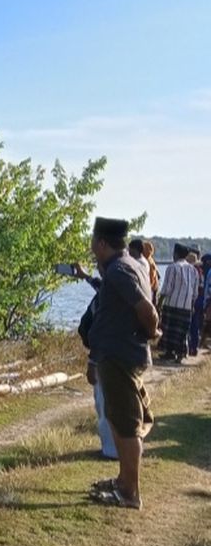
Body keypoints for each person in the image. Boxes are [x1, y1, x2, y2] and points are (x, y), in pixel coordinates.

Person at [86, 216, 159, 510]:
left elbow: (147, 310)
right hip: (113, 354)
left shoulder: (119, 270)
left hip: (119, 357)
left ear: (102, 243)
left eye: (93, 243)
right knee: (118, 419)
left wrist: (152, 331)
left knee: (127, 425)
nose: (92, 249)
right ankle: (122, 481)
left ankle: (130, 492)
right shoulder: (128, 266)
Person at [73, 262, 118, 459]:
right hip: (109, 354)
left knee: (105, 402)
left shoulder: (112, 293)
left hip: (106, 356)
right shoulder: (110, 287)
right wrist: (84, 275)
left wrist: (93, 362)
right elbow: (98, 284)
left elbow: (101, 330)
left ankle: (111, 450)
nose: (98, 268)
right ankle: (112, 448)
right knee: (103, 402)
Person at [157, 243, 200, 363]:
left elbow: (166, 289)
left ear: (175, 254)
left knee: (169, 330)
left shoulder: (172, 267)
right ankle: (180, 354)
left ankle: (169, 352)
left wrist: (159, 304)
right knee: (182, 332)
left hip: (172, 304)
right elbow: (195, 292)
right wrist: (192, 305)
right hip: (186, 306)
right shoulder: (193, 270)